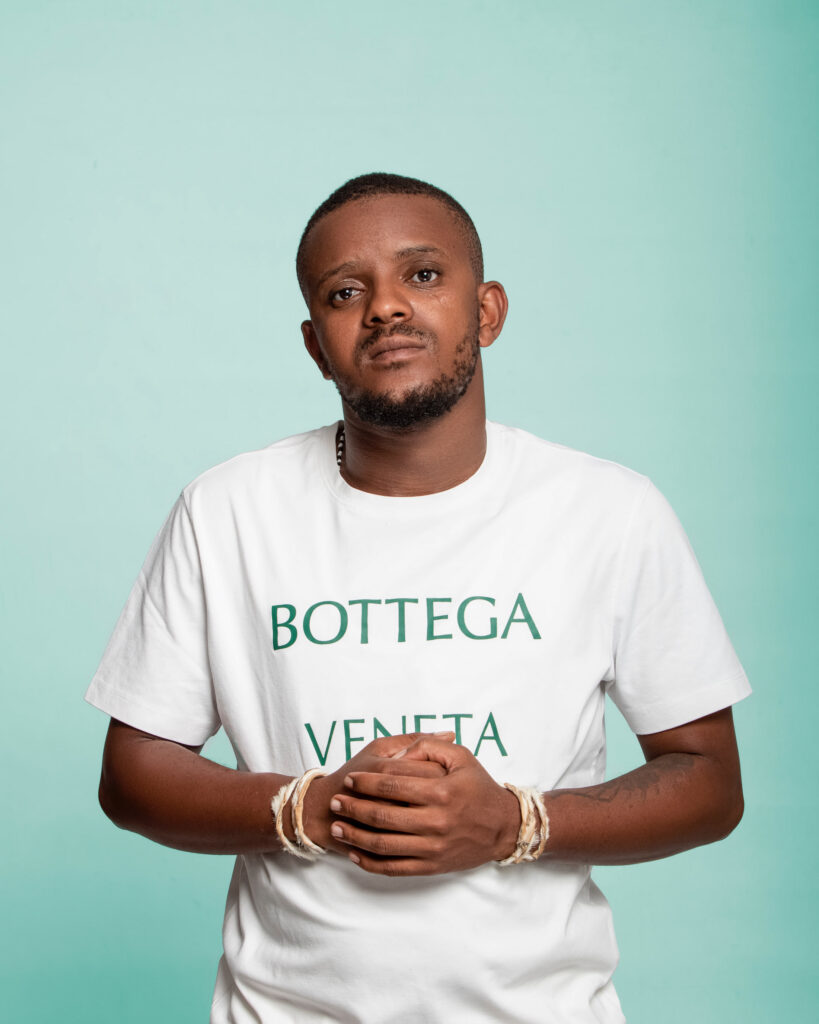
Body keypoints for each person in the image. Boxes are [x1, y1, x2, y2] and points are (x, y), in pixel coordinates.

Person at [87, 172, 751, 1023]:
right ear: (314, 345)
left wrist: (513, 824)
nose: (386, 308)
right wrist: (311, 808)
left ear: (487, 311)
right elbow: (131, 775)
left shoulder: (609, 511)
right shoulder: (227, 511)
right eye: (345, 292)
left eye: (423, 274)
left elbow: (708, 782)